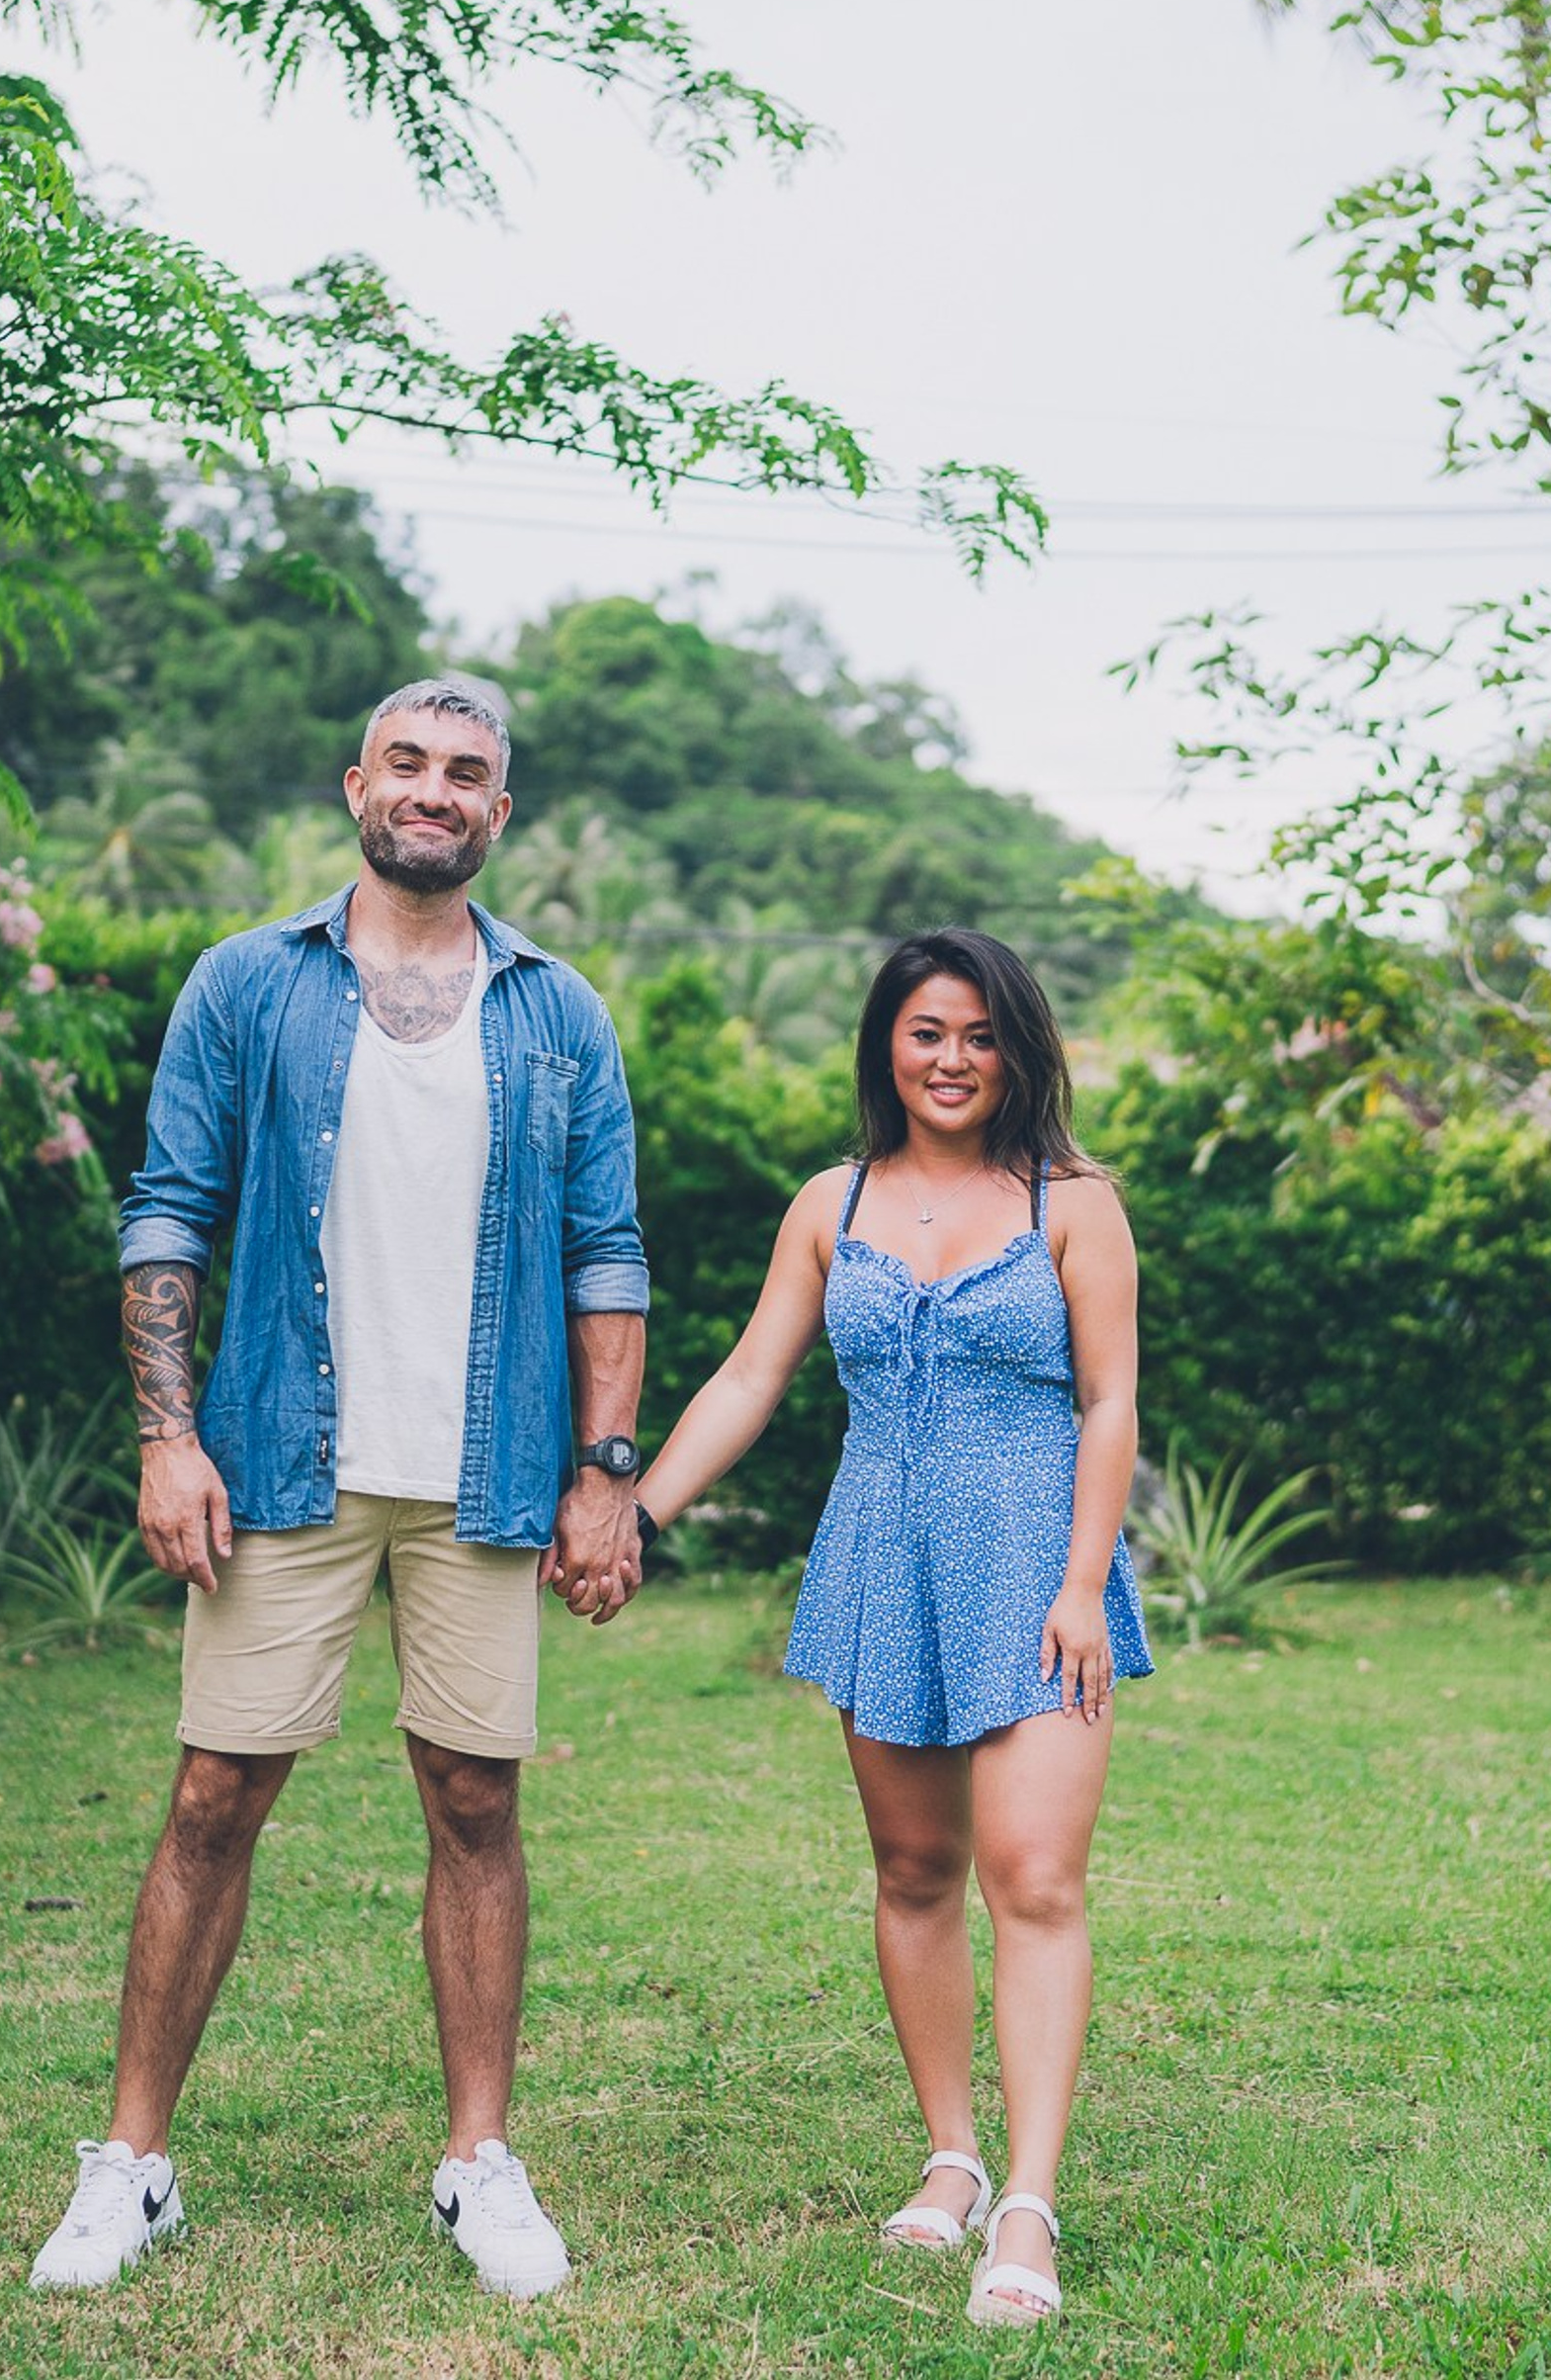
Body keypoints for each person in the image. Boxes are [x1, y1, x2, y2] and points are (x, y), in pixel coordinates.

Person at [28, 678, 647, 2303]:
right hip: (282, 1466)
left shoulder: (559, 1011)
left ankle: (479, 2165)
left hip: (486, 1480)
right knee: (212, 1802)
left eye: (470, 775)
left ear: (499, 813)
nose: (435, 793)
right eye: (411, 765)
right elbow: (167, 1209)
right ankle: (131, 2167)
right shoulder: (249, 985)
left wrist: (606, 1472)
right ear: (355, 783)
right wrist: (171, 1438)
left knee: (477, 1803)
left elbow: (608, 1252)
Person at [633, 927, 1150, 2330]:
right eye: (927, 1032)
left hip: (1040, 1566)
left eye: (980, 1034)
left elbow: (1111, 1401)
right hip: (884, 1555)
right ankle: (953, 2157)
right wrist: (639, 1514)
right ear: (887, 1047)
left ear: (1018, 1049)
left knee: (1034, 1879)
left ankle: (1029, 2207)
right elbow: (751, 1376)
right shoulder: (831, 1198)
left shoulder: (1073, 1201)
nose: (954, 1059)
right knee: (914, 1867)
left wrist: (1085, 1581)